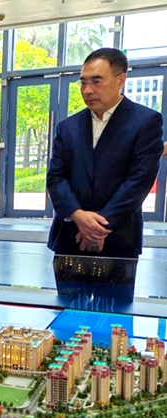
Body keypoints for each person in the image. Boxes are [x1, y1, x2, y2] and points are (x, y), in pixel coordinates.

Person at [47, 48, 164, 303]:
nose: (87, 90)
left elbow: (138, 181)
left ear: (120, 80)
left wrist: (98, 228)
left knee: (115, 319)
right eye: (83, 83)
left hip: (117, 240)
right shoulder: (67, 127)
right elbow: (55, 178)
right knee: (67, 316)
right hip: (69, 239)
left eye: (96, 81)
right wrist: (78, 216)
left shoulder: (146, 122)